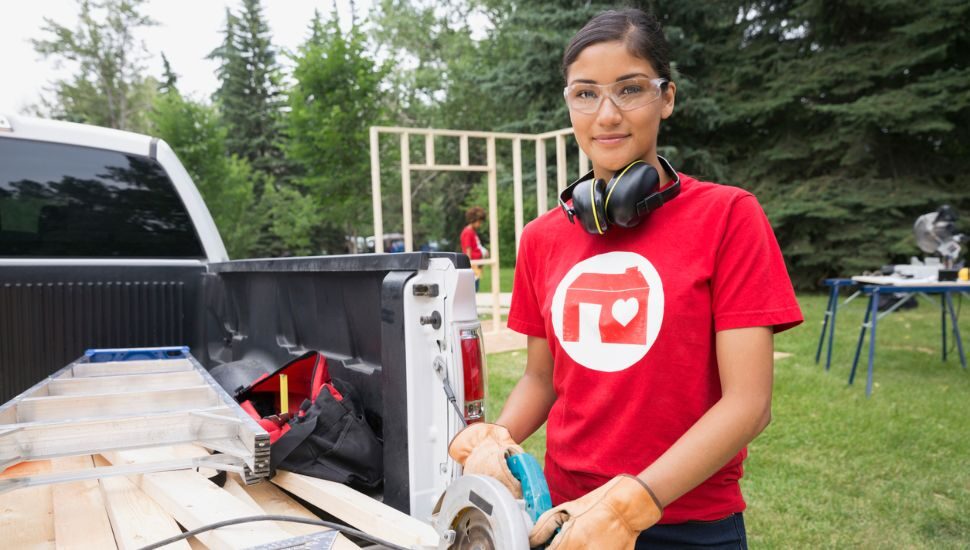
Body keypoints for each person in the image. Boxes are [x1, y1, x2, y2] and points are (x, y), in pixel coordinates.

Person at [448, 8, 803, 550]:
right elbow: (542, 380)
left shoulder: (729, 216)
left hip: (689, 524)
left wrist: (629, 505)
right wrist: (499, 435)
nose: (607, 114)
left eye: (630, 89)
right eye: (585, 94)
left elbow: (748, 403)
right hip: (568, 522)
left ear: (668, 97)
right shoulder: (543, 237)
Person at [460, 206, 489, 291]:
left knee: (476, 288)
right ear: (473, 220)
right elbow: (468, 249)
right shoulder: (468, 232)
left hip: (476, 265)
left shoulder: (472, 232)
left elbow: (476, 246)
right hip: (473, 266)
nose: (480, 224)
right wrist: (470, 266)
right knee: (473, 289)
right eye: (479, 222)